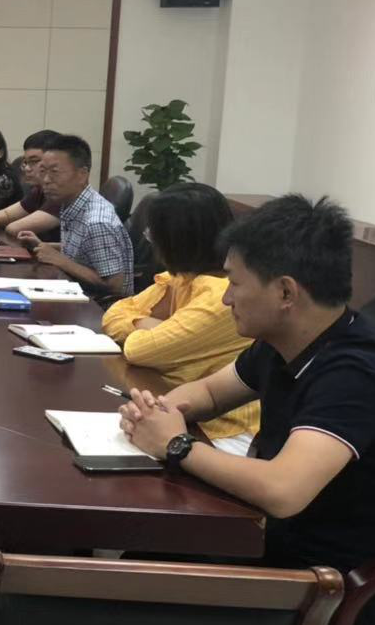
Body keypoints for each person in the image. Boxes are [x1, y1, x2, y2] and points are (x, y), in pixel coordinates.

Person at [119, 195, 375, 625]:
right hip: (286, 550)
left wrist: (176, 444)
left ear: (286, 293)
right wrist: (158, 410)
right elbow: (211, 392)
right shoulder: (283, 343)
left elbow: (283, 490)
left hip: (346, 592)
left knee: (138, 594)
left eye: (235, 283)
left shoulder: (356, 374)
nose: (226, 297)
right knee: (143, 563)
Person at [101, 184, 259, 453]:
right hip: (179, 406)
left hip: (222, 431)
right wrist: (157, 327)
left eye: (153, 234)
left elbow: (139, 350)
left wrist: (149, 329)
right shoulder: (183, 277)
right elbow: (114, 313)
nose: (150, 242)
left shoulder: (221, 297)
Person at [16, 134, 133, 298]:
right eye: (43, 172)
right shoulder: (72, 203)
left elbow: (115, 286)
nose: (46, 180)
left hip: (97, 307)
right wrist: (43, 245)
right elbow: (82, 252)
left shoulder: (97, 222)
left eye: (54, 172)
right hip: (72, 292)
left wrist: (60, 260)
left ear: (82, 175)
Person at [0, 129, 61, 238]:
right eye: (26, 162)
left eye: (34, 161)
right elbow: (4, 215)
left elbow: (15, 229)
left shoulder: (62, 193)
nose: (27, 168)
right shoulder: (39, 190)